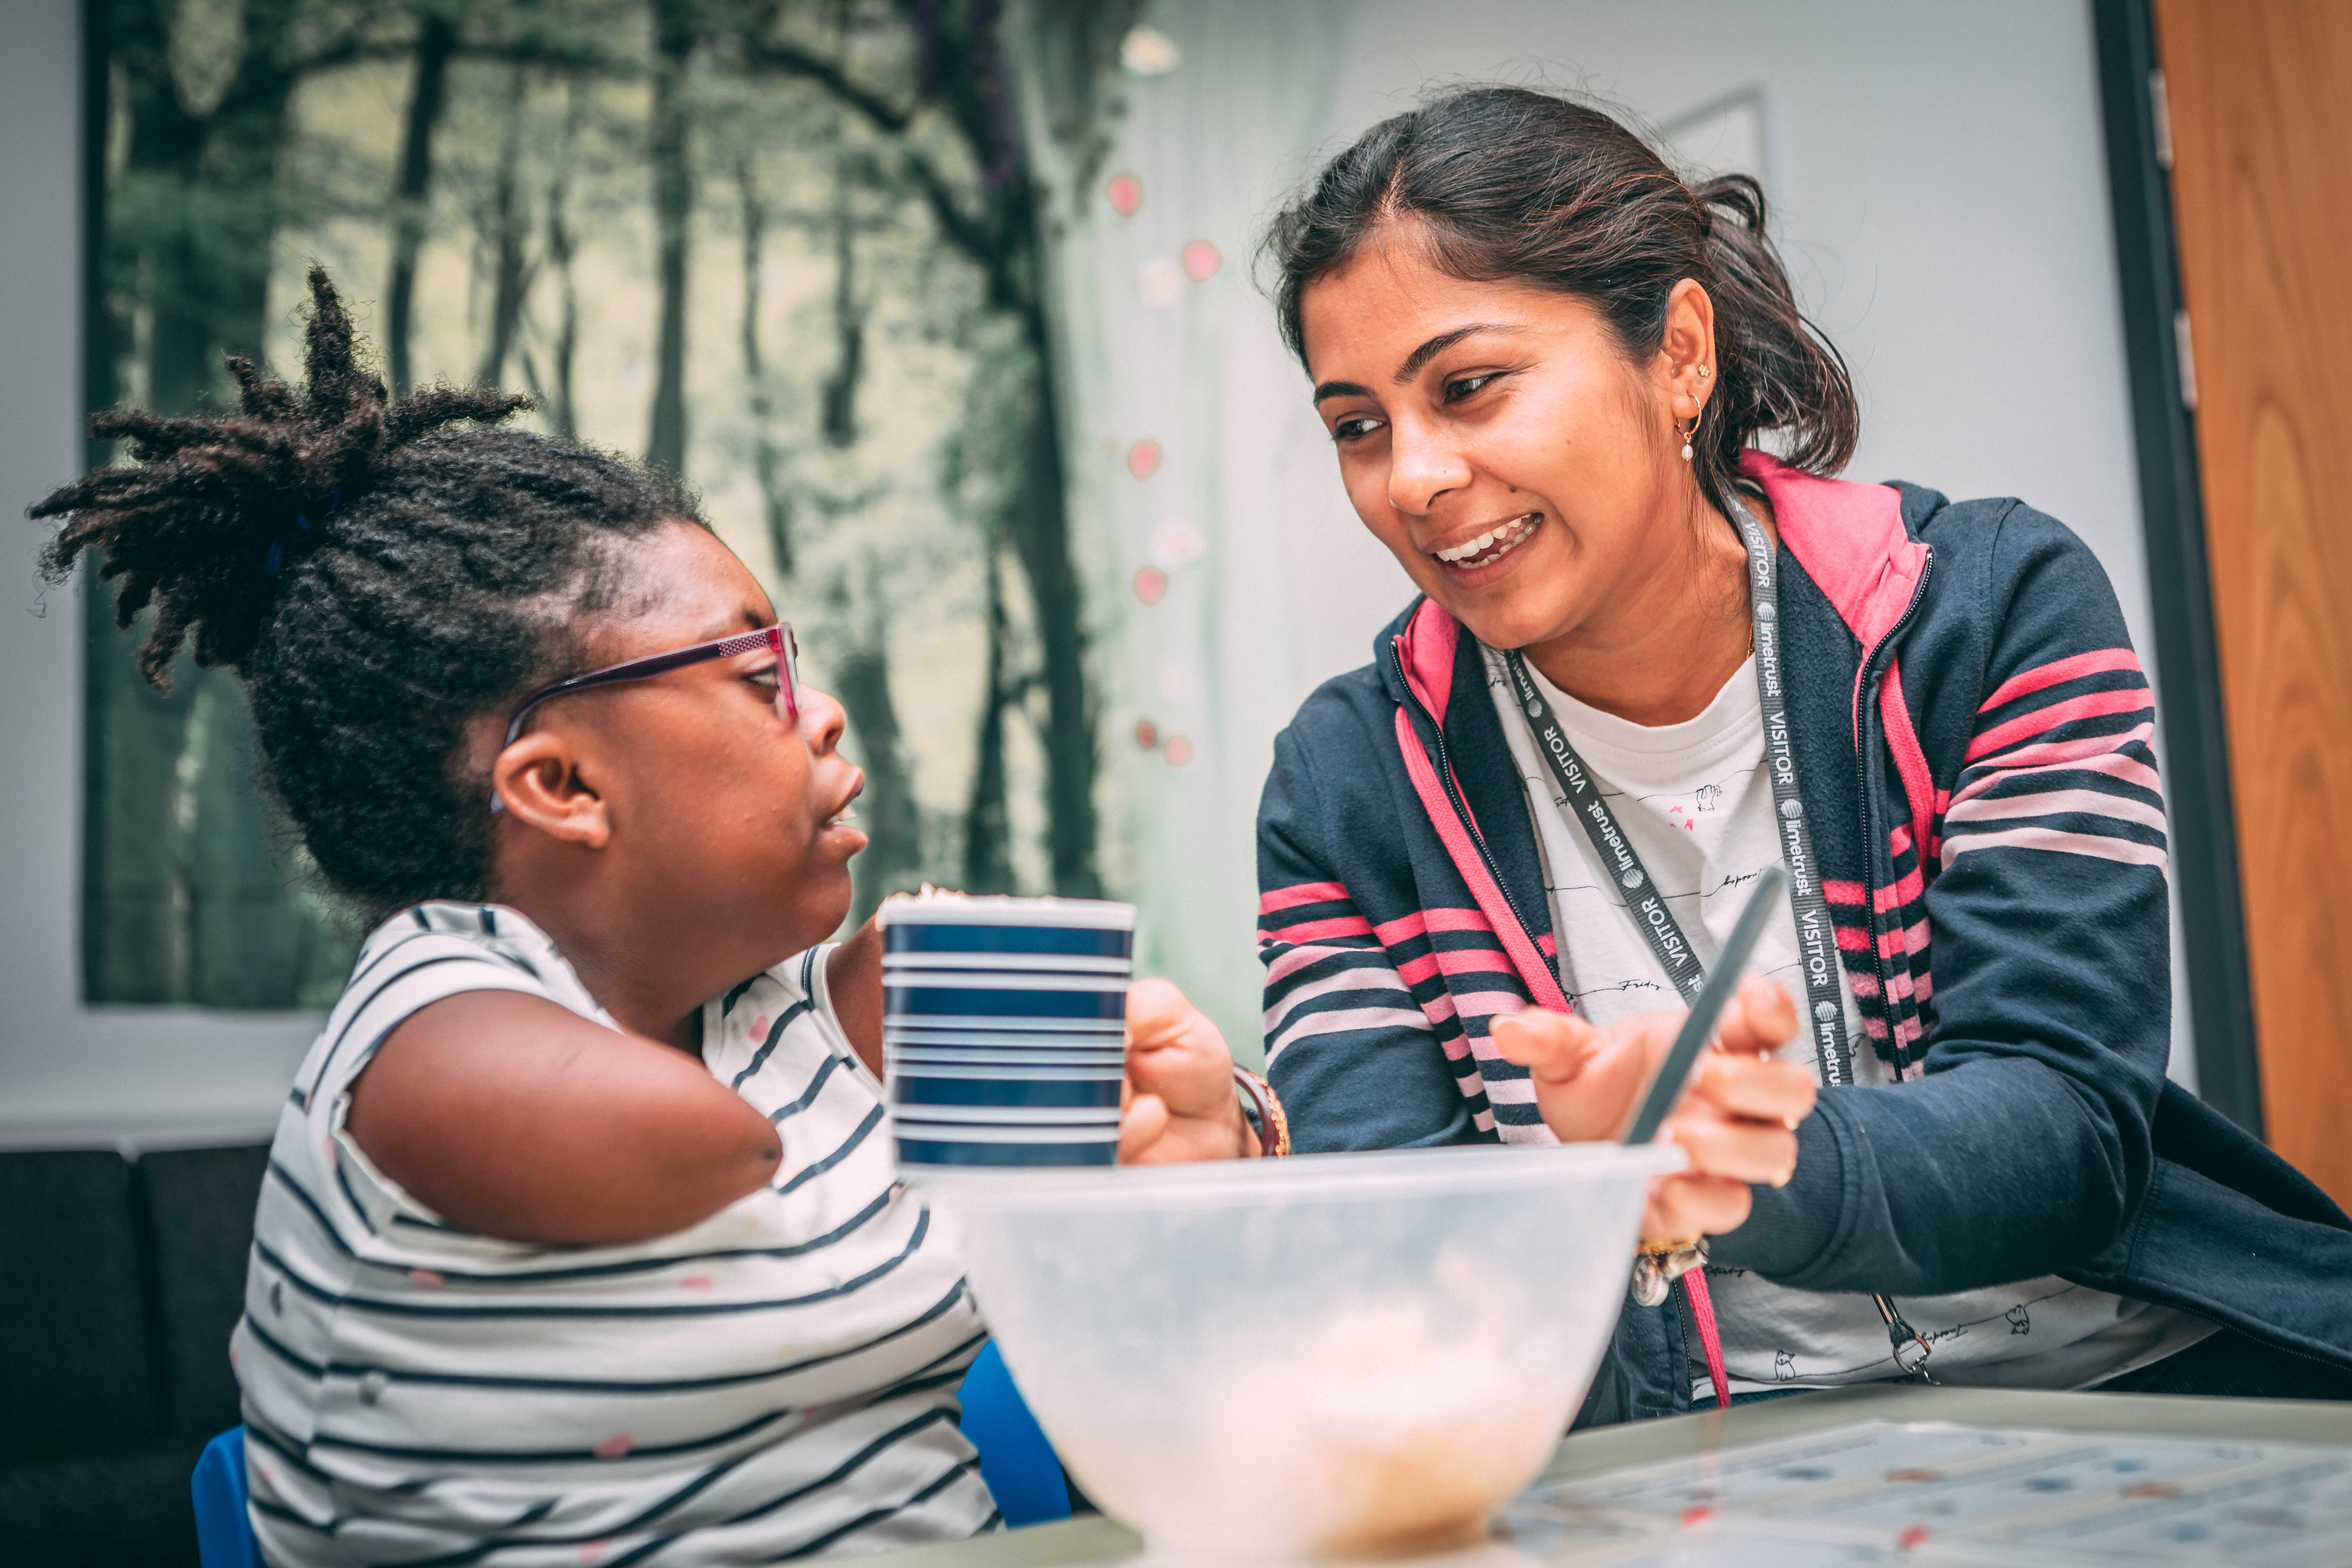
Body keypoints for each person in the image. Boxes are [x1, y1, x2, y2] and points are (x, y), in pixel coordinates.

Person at [29, 268, 1801, 1564]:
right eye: (750, 670)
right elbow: (657, 1151)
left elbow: (1145, 1291)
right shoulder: (439, 1006)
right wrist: (889, 1066)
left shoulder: (800, 1010)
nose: (822, 714)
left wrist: (1209, 1147)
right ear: (559, 787)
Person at [1251, 85, 2352, 1424]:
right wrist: (1249, 1162)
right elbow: (1403, 1260)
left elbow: (2070, 1127)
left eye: (1468, 388)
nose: (1411, 477)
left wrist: (1753, 1154)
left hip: (2132, 1383)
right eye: (1357, 425)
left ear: (1681, 354)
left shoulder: (1987, 608)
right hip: (1706, 1457)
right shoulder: (1348, 784)